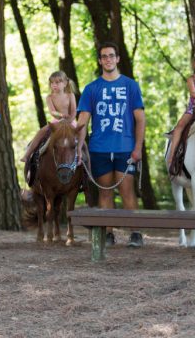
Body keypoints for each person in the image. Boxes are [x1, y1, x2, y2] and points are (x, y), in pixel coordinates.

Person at [76, 42, 146, 248]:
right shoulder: (91, 89)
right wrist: (79, 148)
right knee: (105, 192)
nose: (108, 59)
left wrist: (138, 147)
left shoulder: (130, 86)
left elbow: (140, 119)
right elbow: (82, 122)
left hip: (125, 147)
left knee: (127, 191)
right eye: (104, 56)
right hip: (99, 148)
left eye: (111, 56)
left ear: (117, 59)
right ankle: (108, 234)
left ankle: (135, 233)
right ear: (100, 61)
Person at [20, 71, 77, 163]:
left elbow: (74, 111)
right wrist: (61, 116)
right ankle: (27, 155)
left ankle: (84, 159)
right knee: (41, 131)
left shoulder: (70, 95)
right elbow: (52, 112)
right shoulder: (50, 97)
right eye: (52, 82)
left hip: (70, 121)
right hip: (56, 121)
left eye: (58, 82)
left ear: (65, 83)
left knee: (80, 133)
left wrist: (69, 120)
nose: (54, 85)